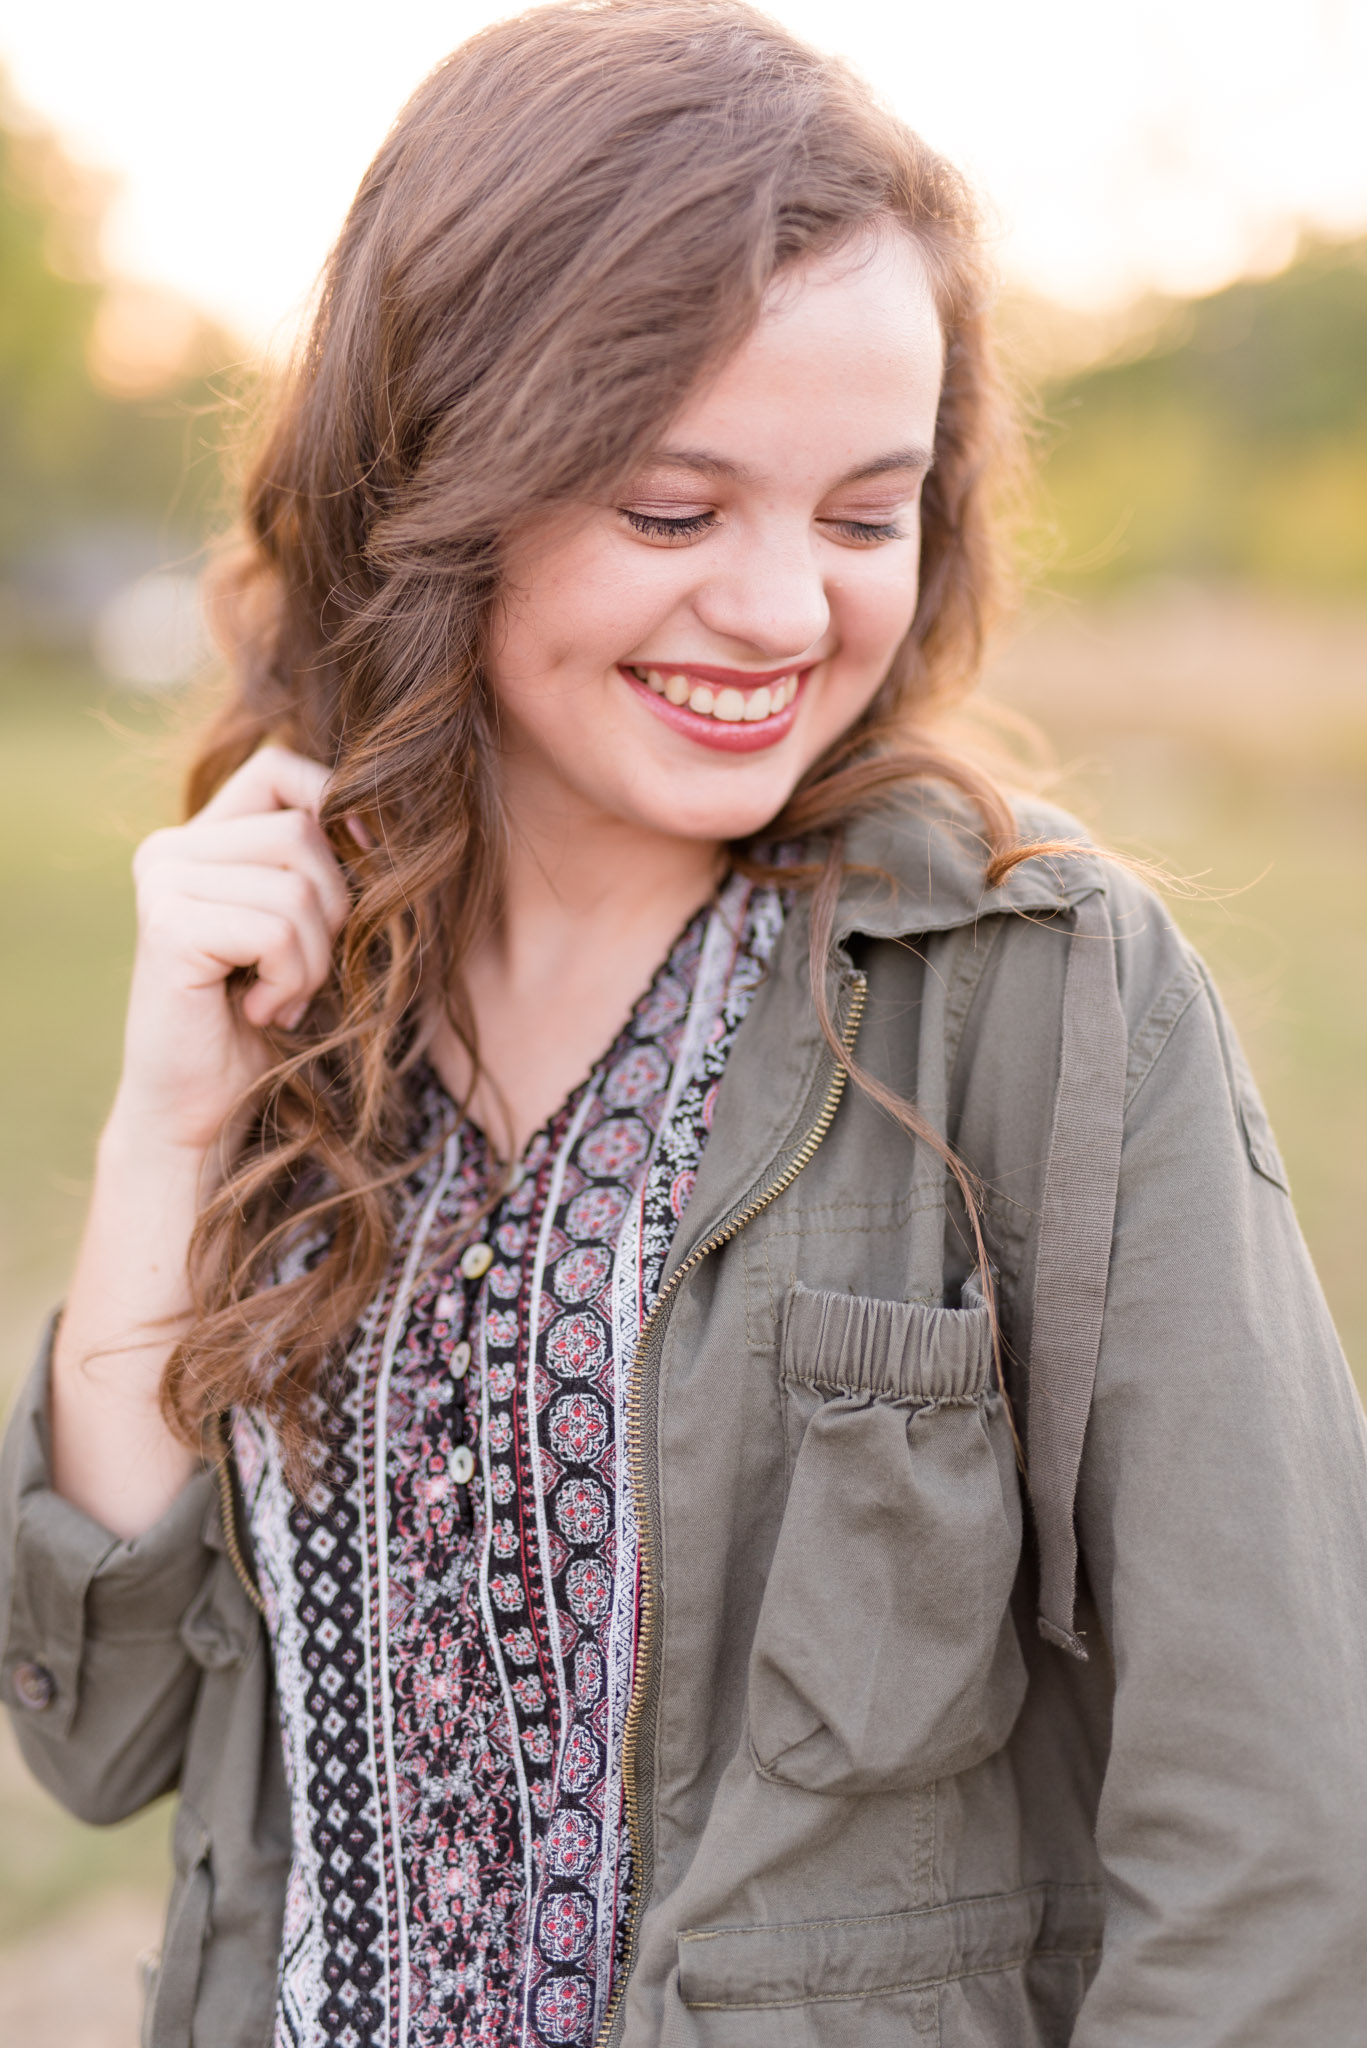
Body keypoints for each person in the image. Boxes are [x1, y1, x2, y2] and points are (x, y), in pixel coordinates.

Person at [4, 3, 1366, 2043]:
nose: (783, 610)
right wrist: (160, 1137)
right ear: (440, 475)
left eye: (860, 513)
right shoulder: (304, 994)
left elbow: (1275, 1839)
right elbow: (101, 1733)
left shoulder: (1033, 993)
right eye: (671, 510)